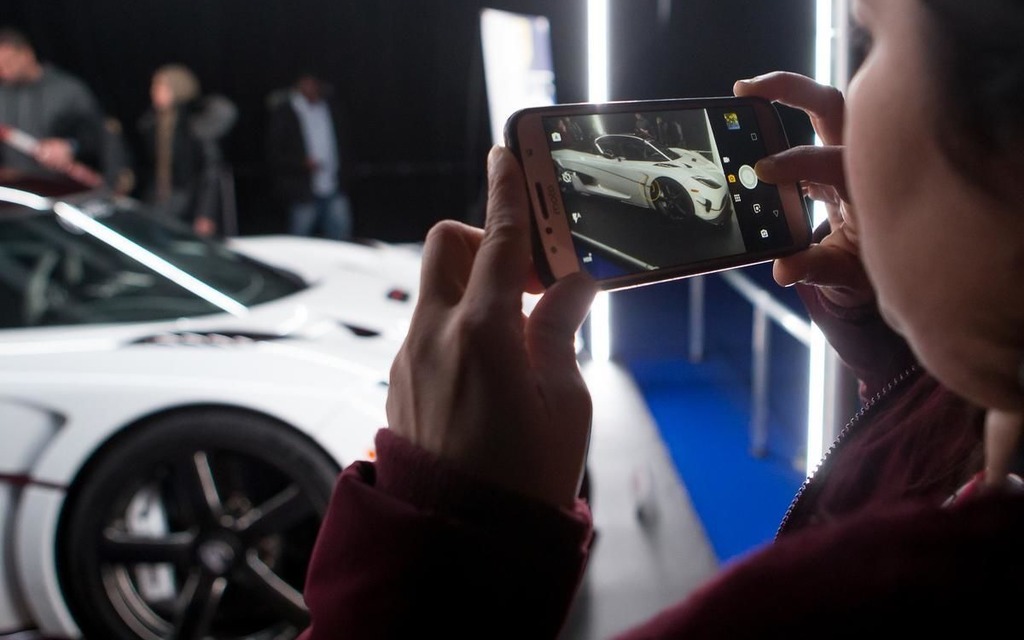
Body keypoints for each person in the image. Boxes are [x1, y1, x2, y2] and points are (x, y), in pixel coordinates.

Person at [298, 0, 1024, 636]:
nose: (847, 109)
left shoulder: (812, 614)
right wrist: (903, 332)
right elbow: (929, 466)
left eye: (871, 39)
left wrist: (442, 533)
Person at [136, 64, 236, 237]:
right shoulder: (151, 124)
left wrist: (205, 213)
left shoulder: (194, 125)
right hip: (157, 201)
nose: (155, 91)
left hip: (188, 202)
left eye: (162, 87)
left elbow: (210, 172)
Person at [0, 27, 104, 182]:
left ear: (27, 54)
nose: (4, 71)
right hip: (14, 188)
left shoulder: (68, 89)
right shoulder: (2, 94)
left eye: (8, 62)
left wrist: (70, 146)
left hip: (63, 185)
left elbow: (98, 136)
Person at [266, 73, 355, 241]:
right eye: (306, 83)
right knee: (299, 239)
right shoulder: (286, 112)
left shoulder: (331, 108)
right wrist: (301, 162)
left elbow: (345, 143)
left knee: (341, 237)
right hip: (303, 188)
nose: (311, 88)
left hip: (333, 184)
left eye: (314, 83)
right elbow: (275, 152)